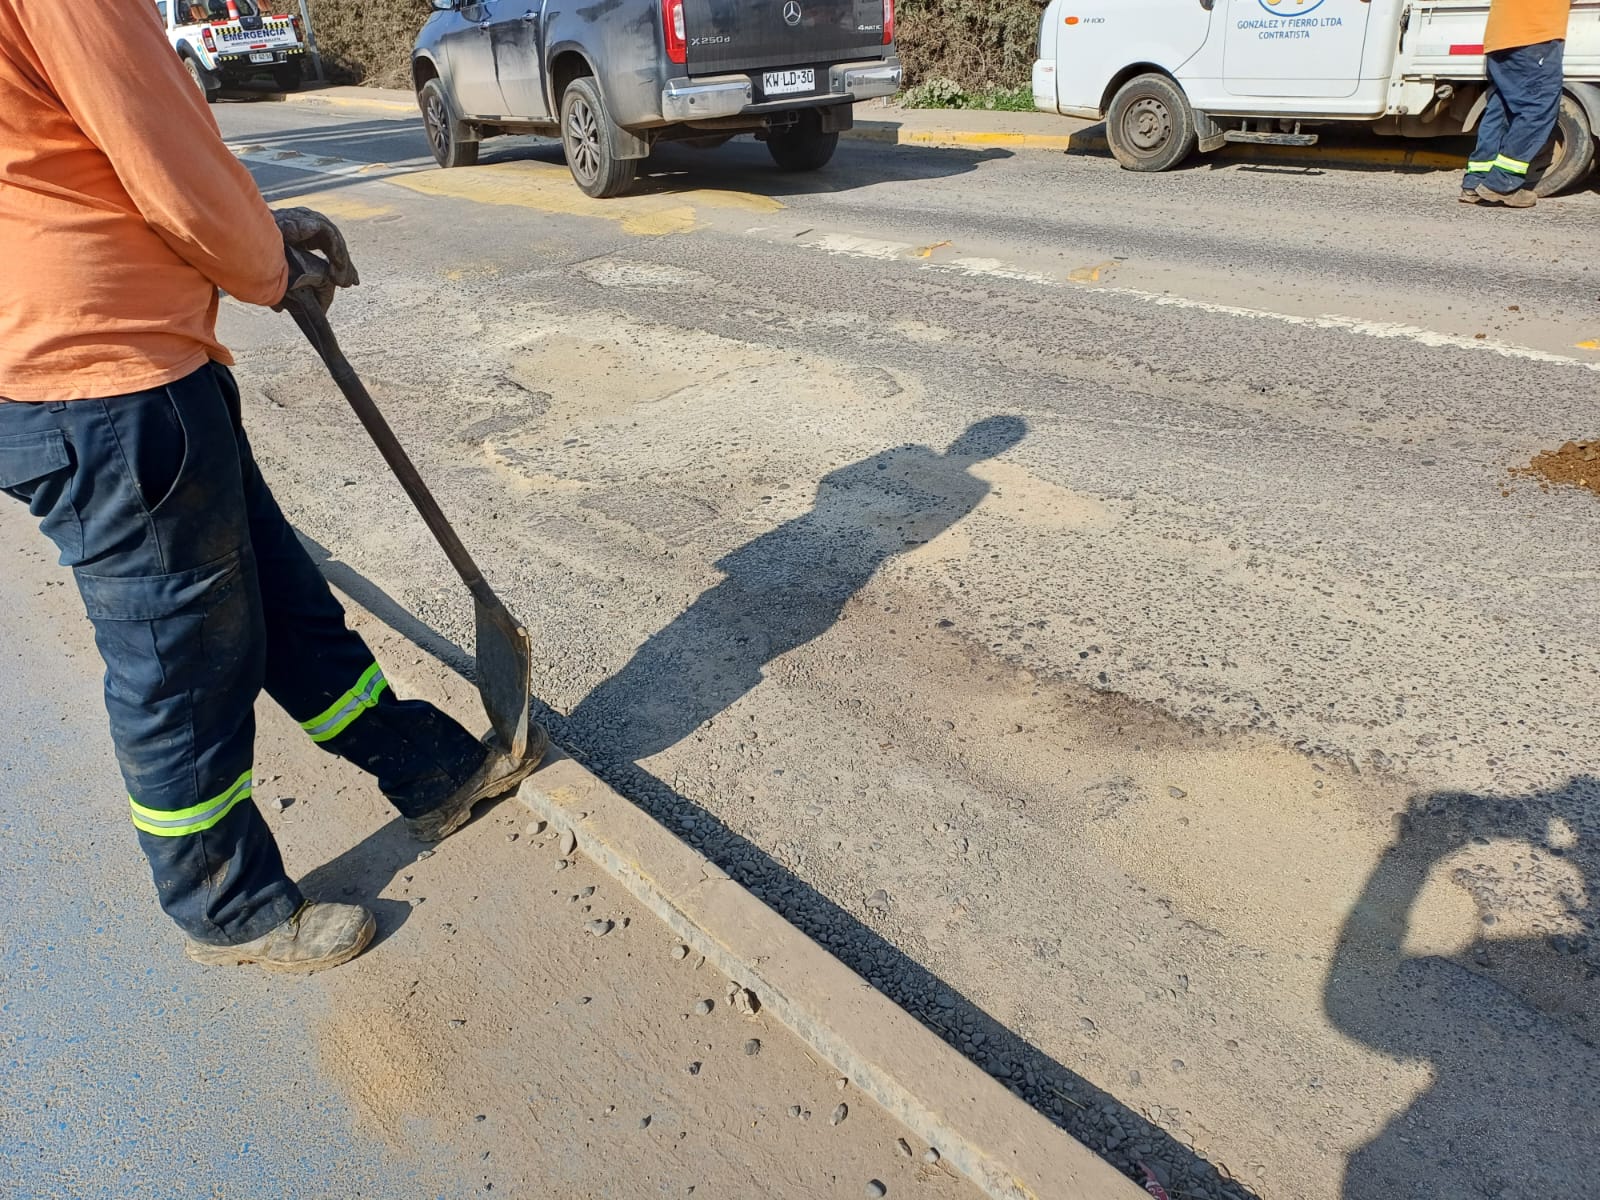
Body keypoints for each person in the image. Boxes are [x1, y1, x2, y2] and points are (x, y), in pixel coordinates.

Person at [0, 0, 546, 973]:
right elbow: (159, 152)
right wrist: (264, 264)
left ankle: (429, 768)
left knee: (274, 600)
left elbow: (76, 153)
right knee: (181, 664)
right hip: (104, 385)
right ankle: (224, 903)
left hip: (98, 373)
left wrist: (257, 235)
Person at [1460, 0, 1574, 207]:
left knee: (1501, 109)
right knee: (1538, 108)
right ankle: (1502, 182)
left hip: (1500, 37)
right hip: (1534, 36)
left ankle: (1475, 181)